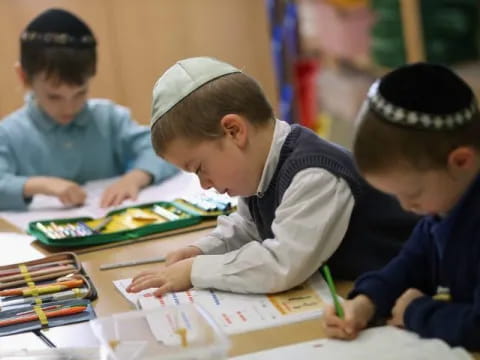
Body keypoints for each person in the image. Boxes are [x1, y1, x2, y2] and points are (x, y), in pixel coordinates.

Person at [127, 56, 418, 296]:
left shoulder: (315, 173)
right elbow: (247, 228)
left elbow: (282, 264)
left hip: (410, 290)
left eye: (200, 167)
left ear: (234, 131)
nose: (204, 184)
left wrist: (195, 270)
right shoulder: (259, 172)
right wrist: (198, 251)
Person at [323, 63, 480, 350]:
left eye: (414, 194)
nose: (407, 207)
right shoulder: (447, 201)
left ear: (461, 161)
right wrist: (366, 301)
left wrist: (416, 311)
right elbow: (412, 262)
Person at [0, 8, 177, 210]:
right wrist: (40, 185)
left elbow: (164, 149)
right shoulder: (8, 133)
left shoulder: (109, 118)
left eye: (80, 93)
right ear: (23, 76)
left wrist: (136, 177)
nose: (69, 107)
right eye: (54, 96)